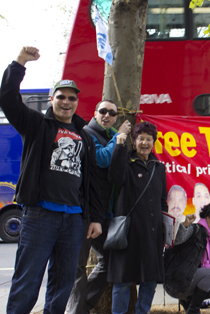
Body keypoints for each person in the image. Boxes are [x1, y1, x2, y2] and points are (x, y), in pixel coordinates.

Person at [1, 46, 103, 314]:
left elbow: (89, 180)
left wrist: (93, 217)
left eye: (71, 98)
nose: (66, 101)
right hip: (40, 215)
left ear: (77, 102)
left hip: (74, 220)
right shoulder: (36, 125)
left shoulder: (85, 134)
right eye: (61, 97)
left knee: (63, 284)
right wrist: (20, 62)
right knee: (28, 282)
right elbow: (8, 98)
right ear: (51, 99)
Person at [66, 99, 131, 313]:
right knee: (78, 267)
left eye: (112, 113)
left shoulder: (109, 134)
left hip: (103, 214)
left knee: (111, 262)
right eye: (103, 111)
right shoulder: (87, 133)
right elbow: (102, 159)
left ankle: (82, 306)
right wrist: (120, 136)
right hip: (84, 212)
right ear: (95, 113)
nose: (107, 115)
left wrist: (119, 134)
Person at [107, 121, 168, 314]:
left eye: (149, 139)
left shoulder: (159, 167)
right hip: (128, 233)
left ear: (153, 142)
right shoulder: (126, 162)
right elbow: (115, 178)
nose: (145, 143)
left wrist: (165, 231)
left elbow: (162, 200)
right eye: (141, 138)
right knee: (122, 282)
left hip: (152, 234)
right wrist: (119, 143)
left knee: (149, 281)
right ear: (134, 142)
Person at [175, 202, 210, 314]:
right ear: (205, 216)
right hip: (181, 279)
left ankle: (190, 301)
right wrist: (185, 225)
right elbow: (177, 241)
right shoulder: (196, 229)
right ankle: (193, 309)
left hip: (196, 280)